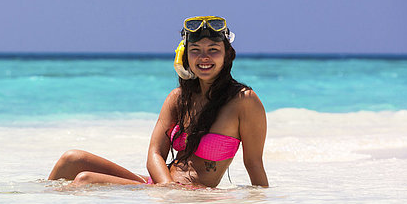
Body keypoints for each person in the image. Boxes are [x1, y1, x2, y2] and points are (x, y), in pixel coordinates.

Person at [48, 16, 269, 188]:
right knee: (71, 159)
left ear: (228, 55)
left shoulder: (243, 101)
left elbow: (254, 164)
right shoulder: (178, 98)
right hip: (163, 185)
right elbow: (154, 154)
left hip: (193, 195)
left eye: (213, 50)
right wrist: (166, 188)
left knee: (86, 180)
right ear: (184, 56)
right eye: (195, 51)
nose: (204, 58)